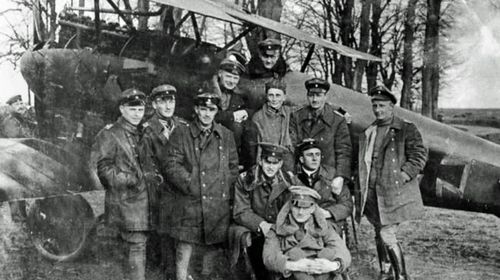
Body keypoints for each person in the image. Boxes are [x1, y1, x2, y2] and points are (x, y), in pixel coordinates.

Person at [164, 92, 239, 280]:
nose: (206, 114)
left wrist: (222, 187)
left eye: (211, 109)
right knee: (185, 244)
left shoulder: (226, 135)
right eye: (203, 109)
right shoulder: (182, 133)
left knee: (212, 246)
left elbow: (232, 167)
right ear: (196, 110)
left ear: (216, 112)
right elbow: (171, 164)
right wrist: (190, 183)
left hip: (216, 202)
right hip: (191, 199)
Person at [357, 85, 427, 280]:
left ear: (391, 107)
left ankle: (402, 276)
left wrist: (403, 176)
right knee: (378, 231)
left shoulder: (406, 128)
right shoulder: (370, 130)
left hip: (393, 193)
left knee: (387, 233)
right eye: (375, 106)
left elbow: (419, 155)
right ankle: (384, 270)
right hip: (372, 193)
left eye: (382, 106)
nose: (378, 110)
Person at [91, 88, 160, 280]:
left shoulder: (143, 132)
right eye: (132, 109)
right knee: (136, 247)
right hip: (127, 201)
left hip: (145, 202)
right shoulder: (111, 134)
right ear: (122, 109)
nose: (137, 114)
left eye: (140, 110)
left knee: (138, 247)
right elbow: (104, 170)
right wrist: (131, 179)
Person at [141, 84, 186, 279]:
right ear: (154, 104)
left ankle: (182, 269)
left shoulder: (182, 126)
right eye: (163, 101)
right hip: (160, 188)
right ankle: (168, 269)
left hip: (181, 185)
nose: (168, 106)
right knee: (165, 232)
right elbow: (147, 164)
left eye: (171, 101)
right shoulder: (147, 129)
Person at [263, 186, 351, 280]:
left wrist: (332, 265)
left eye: (305, 208)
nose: (300, 212)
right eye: (297, 207)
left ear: (313, 209)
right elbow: (269, 257)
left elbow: (341, 249)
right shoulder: (277, 229)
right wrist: (295, 266)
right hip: (293, 273)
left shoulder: (323, 226)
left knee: (328, 254)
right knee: (294, 253)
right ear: (290, 207)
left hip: (321, 271)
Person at [233, 143, 293, 280]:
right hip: (257, 231)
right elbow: (241, 211)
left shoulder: (288, 181)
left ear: (281, 163)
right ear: (260, 160)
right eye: (267, 162)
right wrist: (262, 225)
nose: (271, 167)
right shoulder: (246, 179)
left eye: (276, 163)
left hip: (280, 230)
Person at [289, 78, 352, 196]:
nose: (315, 99)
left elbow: (344, 151)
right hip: (302, 176)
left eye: (319, 95)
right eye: (311, 95)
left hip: (328, 177)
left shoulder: (337, 120)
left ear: (326, 96)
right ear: (307, 96)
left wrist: (340, 176)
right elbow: (291, 147)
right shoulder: (297, 117)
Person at [293, 138, 353, 234]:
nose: (315, 158)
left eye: (317, 154)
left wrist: (327, 213)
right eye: (309, 155)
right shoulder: (294, 179)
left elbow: (347, 205)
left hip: (328, 223)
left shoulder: (332, 175)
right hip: (301, 224)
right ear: (301, 159)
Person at [242, 78, 294, 171]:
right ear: (266, 97)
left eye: (278, 95)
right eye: (271, 95)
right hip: (267, 161)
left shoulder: (289, 112)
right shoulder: (258, 117)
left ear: (284, 97)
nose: (274, 99)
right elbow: (257, 148)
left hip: (285, 160)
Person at [210, 58, 253, 154]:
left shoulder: (240, 94)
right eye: (228, 76)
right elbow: (208, 114)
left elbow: (253, 110)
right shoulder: (208, 89)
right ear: (220, 74)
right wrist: (232, 116)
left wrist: (245, 112)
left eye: (235, 78)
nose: (231, 81)